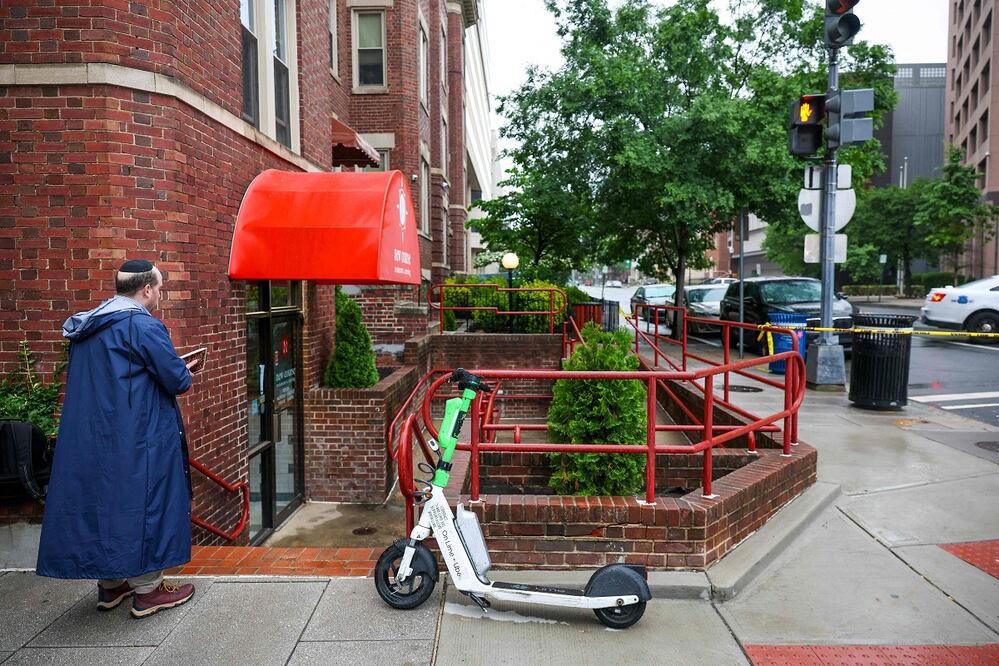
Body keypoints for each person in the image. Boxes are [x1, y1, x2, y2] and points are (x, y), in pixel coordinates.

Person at [37, 259, 200, 618]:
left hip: (95, 434)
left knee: (107, 502)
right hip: (139, 433)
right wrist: (184, 370)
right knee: (146, 501)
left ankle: (112, 584)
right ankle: (149, 590)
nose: (160, 295)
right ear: (147, 289)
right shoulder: (143, 326)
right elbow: (176, 380)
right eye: (159, 289)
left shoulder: (88, 325)